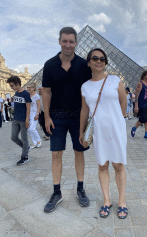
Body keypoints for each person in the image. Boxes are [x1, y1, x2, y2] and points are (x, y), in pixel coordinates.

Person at [42, 27, 92, 213]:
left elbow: (89, 92)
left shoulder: (83, 65)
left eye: (71, 41)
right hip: (56, 116)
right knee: (56, 154)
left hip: (78, 116)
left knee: (79, 152)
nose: (68, 44)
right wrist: (46, 117)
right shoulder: (49, 64)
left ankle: (80, 188)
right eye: (65, 41)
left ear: (76, 43)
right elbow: (46, 92)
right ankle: (57, 192)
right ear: (59, 41)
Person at [80, 48, 128, 219]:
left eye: (102, 58)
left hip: (116, 129)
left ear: (105, 62)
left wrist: (116, 120)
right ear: (89, 62)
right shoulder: (85, 86)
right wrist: (81, 131)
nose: (99, 61)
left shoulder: (115, 80)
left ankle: (122, 201)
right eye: (95, 58)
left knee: (118, 165)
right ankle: (106, 200)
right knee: (102, 165)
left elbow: (123, 103)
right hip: (99, 132)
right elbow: (84, 111)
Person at [7, 76, 31, 165]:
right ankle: (26, 148)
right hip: (15, 119)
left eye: (12, 85)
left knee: (24, 138)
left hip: (23, 119)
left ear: (17, 84)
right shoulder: (16, 93)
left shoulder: (26, 94)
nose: (11, 87)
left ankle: (25, 157)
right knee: (13, 137)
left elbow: (28, 108)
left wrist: (27, 120)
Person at [131, 71, 147, 140]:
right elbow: (136, 96)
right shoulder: (140, 84)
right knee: (142, 120)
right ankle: (134, 128)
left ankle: (146, 135)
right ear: (144, 76)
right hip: (142, 105)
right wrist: (136, 106)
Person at [27, 83, 42, 149]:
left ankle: (38, 140)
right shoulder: (28, 95)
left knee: (32, 128)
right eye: (27, 87)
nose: (28, 89)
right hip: (29, 114)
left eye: (29, 87)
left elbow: (39, 105)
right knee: (29, 129)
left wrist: (37, 114)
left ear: (33, 88)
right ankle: (34, 142)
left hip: (34, 113)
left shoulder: (36, 96)